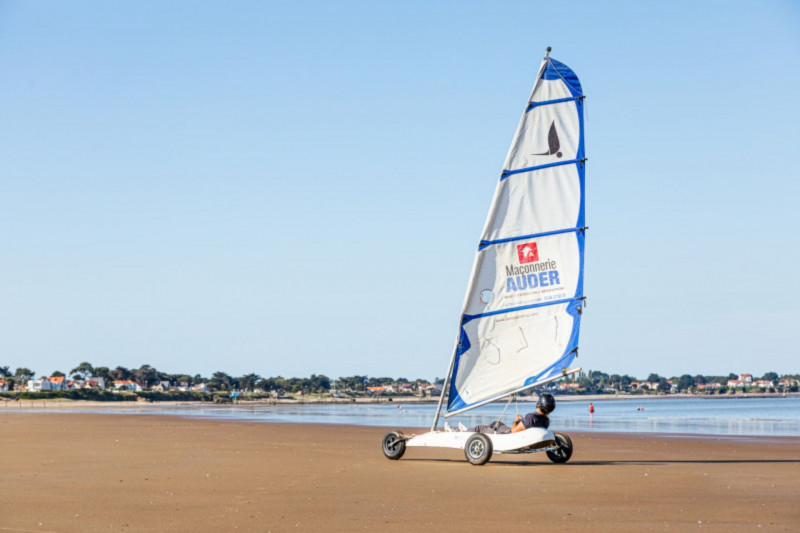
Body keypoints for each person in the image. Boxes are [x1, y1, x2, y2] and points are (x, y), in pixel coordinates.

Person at [448, 393, 556, 434]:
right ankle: (467, 431)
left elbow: (513, 431)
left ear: (538, 404)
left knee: (479, 428)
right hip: (512, 433)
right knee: (496, 424)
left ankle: (459, 432)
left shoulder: (531, 417)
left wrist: (516, 421)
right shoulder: (546, 421)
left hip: (507, 436)